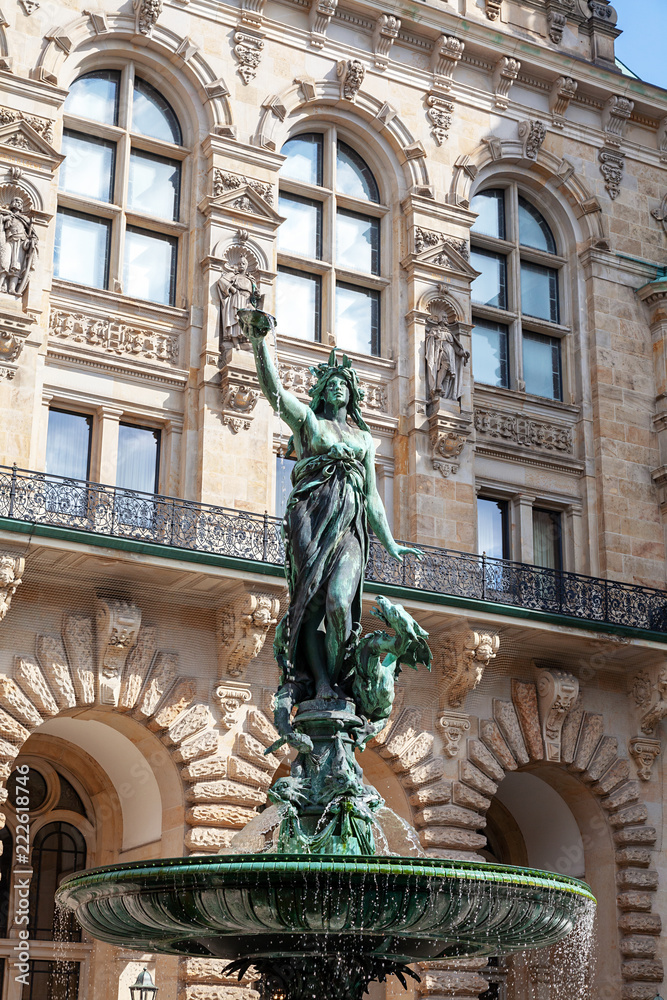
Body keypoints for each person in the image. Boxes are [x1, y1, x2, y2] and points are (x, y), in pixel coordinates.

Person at [245, 315, 421, 702]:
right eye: (333, 384)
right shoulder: (309, 424)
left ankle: (340, 676)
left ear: (351, 395)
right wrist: (260, 344)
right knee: (309, 601)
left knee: (340, 602)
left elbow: (373, 495)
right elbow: (273, 392)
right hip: (311, 516)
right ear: (323, 391)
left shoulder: (362, 438)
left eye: (345, 384)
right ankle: (321, 681)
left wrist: (390, 542)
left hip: (351, 523)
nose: (339, 388)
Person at [425, 316, 469, 402]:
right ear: (440, 319)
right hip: (442, 348)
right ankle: (438, 385)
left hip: (451, 351)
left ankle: (444, 395)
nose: (446, 319)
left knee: (449, 373)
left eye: (446, 317)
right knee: (446, 364)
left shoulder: (449, 332)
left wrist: (463, 353)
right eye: (444, 317)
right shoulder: (435, 329)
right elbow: (430, 339)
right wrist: (435, 337)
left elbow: (456, 347)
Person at [216, 257, 257, 347]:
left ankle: (246, 339)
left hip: (247, 301)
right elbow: (221, 281)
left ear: (246, 266)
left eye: (243, 263)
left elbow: (254, 294)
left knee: (252, 316)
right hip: (237, 298)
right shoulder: (233, 275)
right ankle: (236, 342)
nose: (241, 265)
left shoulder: (251, 279)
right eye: (239, 263)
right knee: (236, 319)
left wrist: (257, 294)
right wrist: (232, 288)